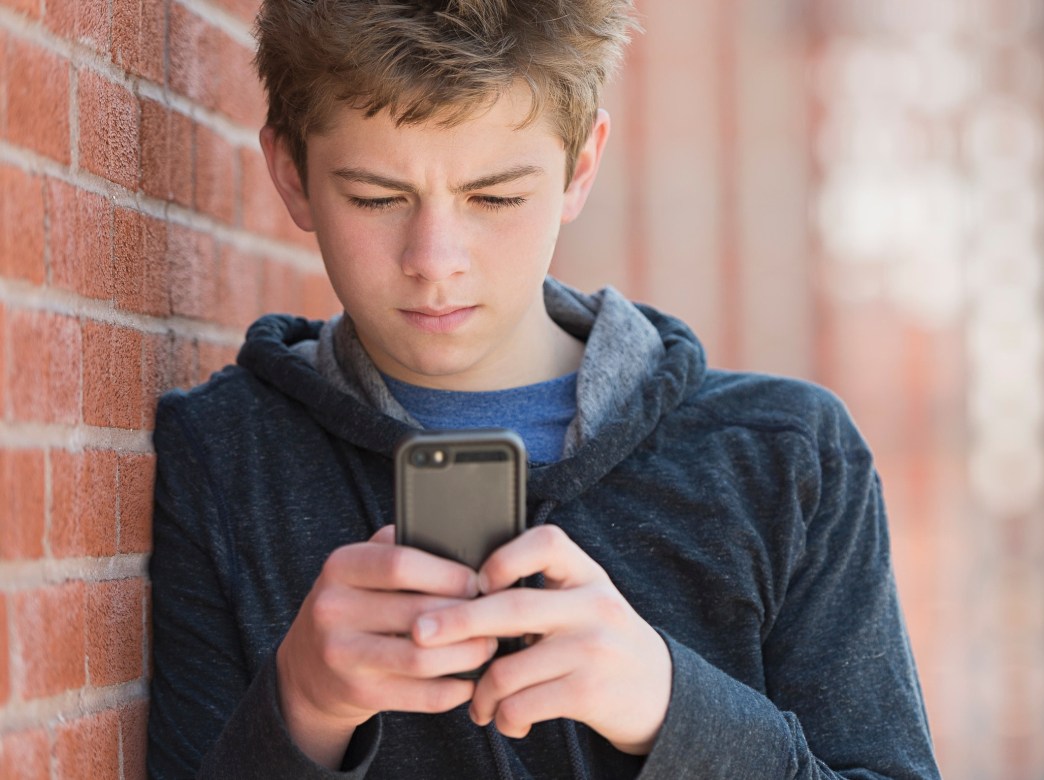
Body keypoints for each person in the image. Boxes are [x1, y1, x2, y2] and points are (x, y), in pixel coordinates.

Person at [146, 0, 941, 777]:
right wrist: (304, 709)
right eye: (377, 197)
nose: (436, 259)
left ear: (579, 166)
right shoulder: (224, 458)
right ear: (290, 174)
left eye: (495, 197)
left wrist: (672, 707)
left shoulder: (789, 457)